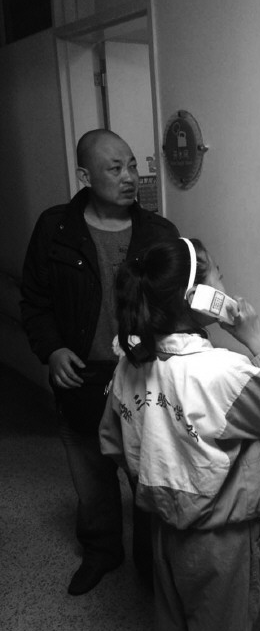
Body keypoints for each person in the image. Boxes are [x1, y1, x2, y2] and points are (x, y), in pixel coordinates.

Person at [99, 237, 260, 631]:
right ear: (198, 297)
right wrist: (255, 340)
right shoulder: (224, 374)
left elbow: (111, 441)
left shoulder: (129, 362)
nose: (226, 285)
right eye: (219, 276)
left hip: (162, 530)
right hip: (220, 542)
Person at [20, 129, 180, 595]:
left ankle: (151, 569)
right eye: (116, 168)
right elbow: (34, 300)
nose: (130, 177)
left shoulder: (158, 233)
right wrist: (52, 349)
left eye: (132, 165)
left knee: (148, 481)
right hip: (82, 380)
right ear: (85, 176)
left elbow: (177, 305)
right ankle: (101, 553)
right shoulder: (56, 229)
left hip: (142, 379)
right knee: (92, 483)